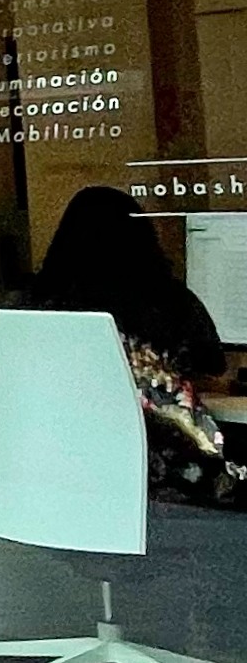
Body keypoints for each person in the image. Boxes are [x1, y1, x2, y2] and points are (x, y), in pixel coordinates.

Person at [30, 184, 236, 495]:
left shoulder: (37, 306)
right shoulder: (170, 301)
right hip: (165, 478)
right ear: (143, 238)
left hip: (61, 476)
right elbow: (213, 366)